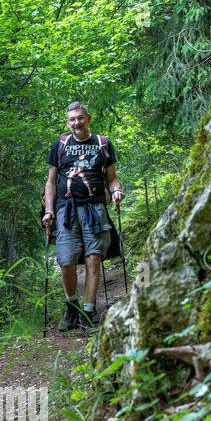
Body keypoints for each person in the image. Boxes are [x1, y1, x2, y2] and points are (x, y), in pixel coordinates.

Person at [42, 101, 124, 331]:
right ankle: (72, 306)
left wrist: (116, 190)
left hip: (95, 208)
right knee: (66, 260)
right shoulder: (60, 144)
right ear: (68, 122)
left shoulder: (103, 143)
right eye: (72, 119)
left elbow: (112, 178)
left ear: (88, 118)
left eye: (80, 118)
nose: (76, 123)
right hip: (65, 209)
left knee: (94, 257)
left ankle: (88, 312)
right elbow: (50, 182)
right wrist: (48, 210)